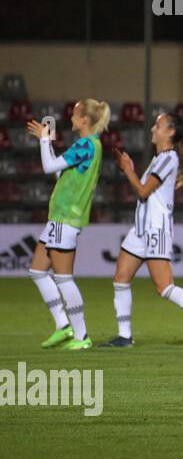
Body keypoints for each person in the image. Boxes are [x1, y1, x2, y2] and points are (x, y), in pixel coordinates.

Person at [106, 111, 183, 347]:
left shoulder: (168, 158)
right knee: (120, 278)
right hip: (141, 229)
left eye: (158, 126)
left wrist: (127, 169)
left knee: (164, 287)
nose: (152, 129)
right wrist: (129, 169)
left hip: (156, 228)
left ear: (170, 132)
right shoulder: (160, 159)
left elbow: (143, 191)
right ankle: (125, 336)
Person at [28, 99, 110, 351]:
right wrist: (48, 143)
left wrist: (44, 140)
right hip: (59, 219)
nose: (71, 117)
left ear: (85, 120)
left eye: (75, 114)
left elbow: (48, 167)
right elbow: (57, 171)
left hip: (67, 219)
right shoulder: (87, 145)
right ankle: (63, 326)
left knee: (63, 278)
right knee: (38, 271)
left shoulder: (87, 144)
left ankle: (81, 335)